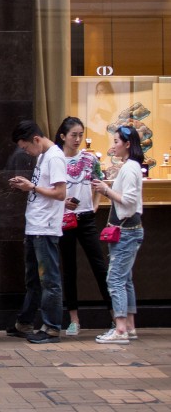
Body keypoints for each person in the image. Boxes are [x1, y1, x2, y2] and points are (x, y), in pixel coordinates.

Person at [7, 120, 67, 344]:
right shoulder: (43, 156)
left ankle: (52, 327)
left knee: (48, 279)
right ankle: (25, 321)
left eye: (25, 147)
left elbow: (60, 192)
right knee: (33, 278)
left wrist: (31, 187)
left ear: (36, 139)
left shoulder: (55, 157)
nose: (26, 152)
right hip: (35, 225)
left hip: (46, 226)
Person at [54, 116, 111, 336]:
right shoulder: (56, 159)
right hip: (65, 218)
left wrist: (95, 205)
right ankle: (74, 319)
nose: (77, 139)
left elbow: (99, 183)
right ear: (63, 136)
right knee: (69, 268)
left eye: (80, 134)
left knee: (99, 264)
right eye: (73, 135)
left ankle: (115, 315)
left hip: (86, 217)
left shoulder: (89, 159)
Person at [92, 125, 145, 344]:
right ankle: (129, 326)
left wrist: (106, 190)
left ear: (127, 144)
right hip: (127, 231)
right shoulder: (130, 167)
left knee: (115, 279)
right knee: (125, 279)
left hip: (126, 232)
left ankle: (121, 328)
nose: (113, 145)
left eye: (116, 141)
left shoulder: (130, 168)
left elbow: (130, 200)